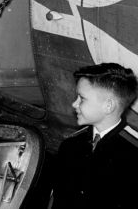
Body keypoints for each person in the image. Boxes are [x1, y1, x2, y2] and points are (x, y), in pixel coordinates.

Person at [51, 63, 138, 209]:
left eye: (82, 98)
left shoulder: (133, 154)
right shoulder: (70, 146)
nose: (74, 104)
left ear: (108, 106)